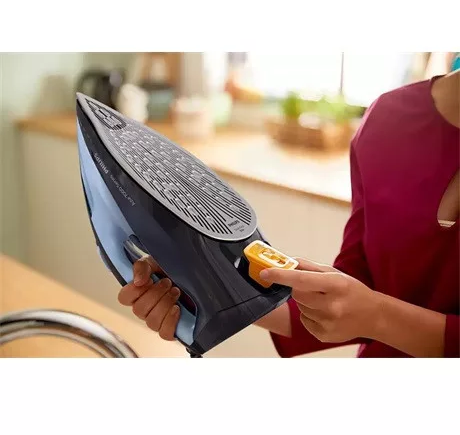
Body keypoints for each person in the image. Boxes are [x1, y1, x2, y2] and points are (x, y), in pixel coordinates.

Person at [118, 70, 460, 358]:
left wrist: (377, 316)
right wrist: (206, 280)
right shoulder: (389, 118)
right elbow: (351, 295)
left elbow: (369, 308)